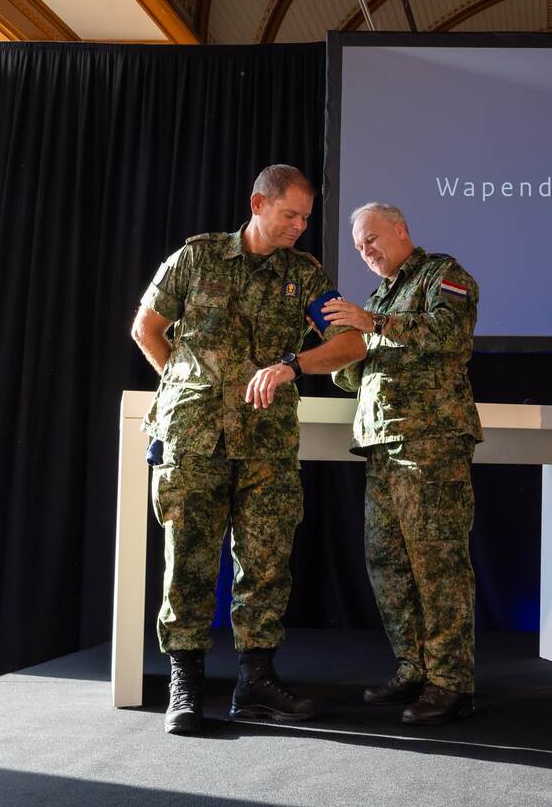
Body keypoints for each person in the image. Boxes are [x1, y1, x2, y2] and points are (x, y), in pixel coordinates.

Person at [130, 165, 366, 734]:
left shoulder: (304, 274)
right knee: (188, 560)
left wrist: (293, 366)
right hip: (196, 439)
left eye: (306, 218)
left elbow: (351, 341)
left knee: (264, 564)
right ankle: (184, 685)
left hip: (266, 444)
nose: (299, 227)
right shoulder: (197, 258)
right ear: (258, 204)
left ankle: (256, 681)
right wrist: (187, 388)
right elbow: (147, 327)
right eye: (290, 215)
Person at [321, 203, 481, 725]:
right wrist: (341, 353)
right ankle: (414, 667)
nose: (366, 250)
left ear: (401, 230)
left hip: (429, 441)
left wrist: (372, 323)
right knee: (387, 564)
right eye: (358, 246)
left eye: (371, 238)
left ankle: (451, 682)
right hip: (381, 445)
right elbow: (358, 373)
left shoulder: (444, 274)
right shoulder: (377, 296)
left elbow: (449, 334)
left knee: (438, 563)